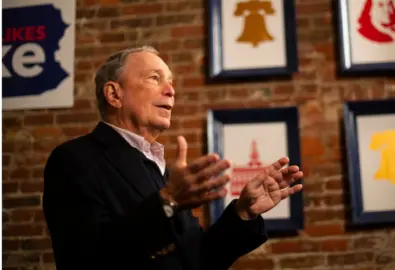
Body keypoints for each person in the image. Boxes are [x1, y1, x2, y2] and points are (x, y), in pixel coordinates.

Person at [42, 46, 303, 270]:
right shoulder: (74, 159)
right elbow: (86, 261)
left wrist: (243, 213)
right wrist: (169, 202)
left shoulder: (160, 169)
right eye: (155, 78)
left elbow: (196, 261)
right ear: (114, 94)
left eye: (171, 82)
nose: (170, 90)